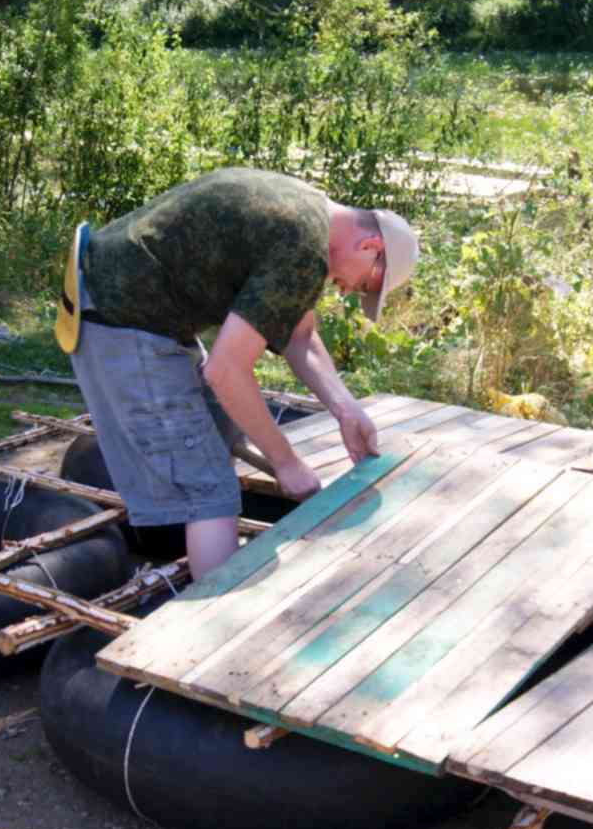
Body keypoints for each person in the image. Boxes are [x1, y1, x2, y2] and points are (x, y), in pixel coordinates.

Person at [60, 167, 418, 578]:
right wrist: (286, 462)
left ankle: (214, 560)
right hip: (121, 320)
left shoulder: (305, 213)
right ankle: (215, 623)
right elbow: (226, 371)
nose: (350, 292)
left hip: (138, 307)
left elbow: (300, 336)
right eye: (369, 286)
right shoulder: (303, 247)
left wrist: (346, 409)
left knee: (218, 434)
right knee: (210, 492)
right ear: (370, 246)